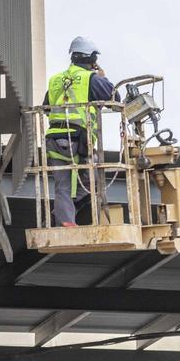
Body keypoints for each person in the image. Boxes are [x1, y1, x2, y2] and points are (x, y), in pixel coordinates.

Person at [43, 36, 117, 227]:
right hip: (80, 141)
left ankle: (64, 217)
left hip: (54, 139)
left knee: (62, 186)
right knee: (93, 181)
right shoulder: (90, 79)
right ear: (91, 60)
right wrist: (103, 78)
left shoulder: (56, 79)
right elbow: (114, 98)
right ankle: (66, 209)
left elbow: (45, 108)